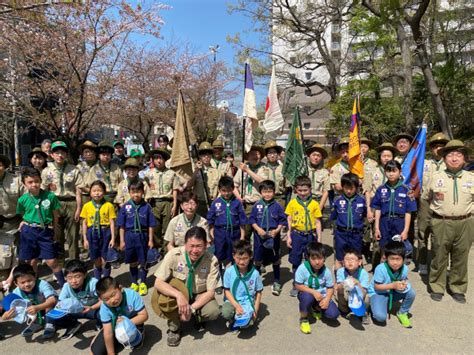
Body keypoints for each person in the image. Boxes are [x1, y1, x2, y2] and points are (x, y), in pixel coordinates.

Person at [153, 226, 221, 347]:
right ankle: (174, 329)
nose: (194, 250)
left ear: (206, 245)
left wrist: (191, 308)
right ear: (185, 244)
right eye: (191, 246)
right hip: (178, 293)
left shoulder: (212, 260)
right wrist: (178, 295)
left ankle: (197, 317)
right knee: (167, 300)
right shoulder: (174, 254)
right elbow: (158, 283)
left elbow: (210, 292)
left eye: (199, 246)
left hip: (199, 294)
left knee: (213, 311)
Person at [427, 140, 473, 304]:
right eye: (450, 155)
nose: (454, 158)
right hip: (441, 222)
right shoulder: (436, 177)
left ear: (464, 159)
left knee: (461, 256)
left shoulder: (471, 177)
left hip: (465, 222)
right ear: (445, 158)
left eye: (458, 155)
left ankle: (458, 287)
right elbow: (427, 199)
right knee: (439, 255)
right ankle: (437, 286)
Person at [17, 167, 65, 286]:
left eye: (37, 181)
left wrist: (55, 231)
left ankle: (64, 284)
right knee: (31, 261)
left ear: (41, 181)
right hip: (29, 231)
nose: (34, 184)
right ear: (24, 184)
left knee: (51, 260)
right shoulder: (22, 199)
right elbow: (23, 214)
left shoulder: (50, 196)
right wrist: (25, 222)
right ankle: (34, 286)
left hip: (45, 231)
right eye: (30, 182)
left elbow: (55, 215)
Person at [42, 140, 84, 261]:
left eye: (62, 152)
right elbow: (44, 191)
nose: (60, 155)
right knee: (57, 235)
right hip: (55, 203)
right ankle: (60, 263)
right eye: (57, 152)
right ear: (52, 154)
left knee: (73, 235)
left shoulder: (74, 169)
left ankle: (74, 263)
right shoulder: (46, 171)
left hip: (71, 203)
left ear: (66, 154)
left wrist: (78, 208)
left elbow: (78, 190)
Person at [371, 160, 417, 265]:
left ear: (400, 172)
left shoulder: (407, 190)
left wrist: (405, 231)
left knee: (398, 252)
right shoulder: (381, 189)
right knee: (384, 251)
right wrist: (377, 228)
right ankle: (383, 276)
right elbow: (377, 209)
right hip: (384, 222)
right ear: (385, 172)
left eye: (394, 171)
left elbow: (408, 212)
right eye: (388, 171)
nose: (391, 174)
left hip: (399, 222)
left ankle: (397, 276)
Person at [90, 276, 148, 355]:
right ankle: (105, 336)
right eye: (106, 299)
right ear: (101, 299)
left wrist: (127, 323)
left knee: (136, 343)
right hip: (114, 326)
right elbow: (108, 332)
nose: (112, 300)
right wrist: (111, 353)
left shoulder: (131, 295)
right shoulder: (104, 308)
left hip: (133, 322)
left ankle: (139, 335)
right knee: (96, 352)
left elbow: (144, 315)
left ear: (120, 288)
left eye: (113, 294)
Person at [44, 259, 101, 340]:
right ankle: (73, 324)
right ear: (66, 278)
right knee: (51, 315)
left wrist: (92, 307)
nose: (73, 281)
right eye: (69, 278)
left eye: (77, 276)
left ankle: (102, 322)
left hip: (93, 309)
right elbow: (61, 303)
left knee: (106, 313)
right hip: (76, 310)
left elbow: (104, 299)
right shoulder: (66, 286)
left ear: (85, 275)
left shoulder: (93, 283)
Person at [117, 181, 156, 296]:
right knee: (133, 261)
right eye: (133, 192)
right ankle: (134, 282)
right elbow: (122, 226)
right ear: (129, 193)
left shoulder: (147, 207)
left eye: (138, 192)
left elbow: (151, 225)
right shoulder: (125, 207)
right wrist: (122, 241)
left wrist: (151, 240)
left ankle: (143, 282)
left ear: (143, 192)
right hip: (130, 236)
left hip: (142, 236)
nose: (136, 195)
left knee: (143, 261)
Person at [417, 133, 448, 275]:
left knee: (442, 236)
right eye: (435, 146)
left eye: (442, 146)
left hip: (443, 203)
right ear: (431, 149)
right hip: (426, 202)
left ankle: (442, 264)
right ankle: (423, 262)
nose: (438, 149)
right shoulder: (424, 163)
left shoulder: (449, 164)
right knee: (423, 233)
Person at [285, 175, 322, 297]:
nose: (303, 193)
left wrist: (319, 239)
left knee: (309, 259)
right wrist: (289, 236)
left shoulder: (315, 204)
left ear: (310, 189)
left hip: (310, 236)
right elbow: (289, 220)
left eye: (305, 190)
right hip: (297, 235)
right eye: (300, 190)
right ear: (296, 190)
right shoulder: (292, 203)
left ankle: (308, 283)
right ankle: (296, 284)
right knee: (295, 260)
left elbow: (317, 222)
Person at [248, 180, 287, 296]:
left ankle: (277, 281)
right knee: (258, 258)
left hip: (273, 236)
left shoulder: (278, 206)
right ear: (260, 192)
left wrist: (277, 230)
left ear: (274, 192)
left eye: (270, 192)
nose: (267, 194)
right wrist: (258, 229)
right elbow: (252, 220)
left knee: (275, 259)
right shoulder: (257, 205)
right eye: (265, 192)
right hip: (259, 236)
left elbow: (282, 220)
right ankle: (254, 281)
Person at [363, 142, 398, 266]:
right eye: (384, 156)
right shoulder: (372, 171)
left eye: (389, 156)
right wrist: (368, 209)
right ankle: (377, 266)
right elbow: (367, 191)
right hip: (375, 204)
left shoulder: (397, 172)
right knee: (376, 238)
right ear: (380, 157)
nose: (386, 158)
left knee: (391, 238)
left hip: (391, 208)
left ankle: (391, 265)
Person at [295, 241, 340, 334]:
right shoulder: (302, 268)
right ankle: (304, 318)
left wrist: (327, 299)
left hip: (322, 296)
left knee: (333, 314)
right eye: (313, 258)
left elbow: (330, 287)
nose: (317, 262)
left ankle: (316, 307)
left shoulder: (326, 271)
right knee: (307, 298)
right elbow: (298, 285)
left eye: (320, 258)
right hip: (307, 293)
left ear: (324, 259)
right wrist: (313, 292)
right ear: (308, 258)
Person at [2, 264, 57, 339]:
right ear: (16, 283)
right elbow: (9, 307)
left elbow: (53, 300)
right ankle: (37, 323)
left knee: (48, 303)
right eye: (22, 282)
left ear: (34, 277)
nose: (27, 284)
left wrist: (38, 307)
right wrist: (5, 316)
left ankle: (50, 323)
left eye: (29, 280)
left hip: (52, 308)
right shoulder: (16, 292)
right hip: (36, 310)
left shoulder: (42, 284)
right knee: (20, 306)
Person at [369, 241, 415, 328]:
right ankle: (373, 305)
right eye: (392, 259)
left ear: (403, 259)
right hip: (379, 293)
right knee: (380, 318)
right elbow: (376, 287)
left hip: (392, 291)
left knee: (411, 292)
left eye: (398, 259)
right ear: (386, 258)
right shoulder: (381, 269)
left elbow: (404, 278)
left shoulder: (404, 269)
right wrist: (392, 285)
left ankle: (402, 312)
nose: (395, 262)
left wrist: (404, 283)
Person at [207, 176, 247, 276]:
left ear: (233, 189)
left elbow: (242, 221)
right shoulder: (216, 203)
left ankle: (234, 275)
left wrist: (242, 236)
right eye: (223, 191)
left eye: (229, 190)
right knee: (219, 256)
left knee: (235, 254)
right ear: (219, 190)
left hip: (234, 233)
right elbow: (210, 221)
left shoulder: (237, 203)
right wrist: (213, 235)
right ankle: (219, 276)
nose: (226, 193)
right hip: (220, 233)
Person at [222, 240, 263, 331]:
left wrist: (255, 310)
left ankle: (242, 320)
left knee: (249, 324)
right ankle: (232, 319)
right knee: (226, 312)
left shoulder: (255, 274)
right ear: (233, 256)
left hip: (247, 301)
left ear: (250, 256)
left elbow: (259, 292)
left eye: (245, 258)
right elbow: (227, 291)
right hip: (233, 300)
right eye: (238, 258)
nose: (241, 262)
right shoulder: (229, 272)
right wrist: (236, 306)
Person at [330, 173, 367, 270]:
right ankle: (339, 281)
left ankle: (358, 280)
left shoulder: (361, 200)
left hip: (356, 234)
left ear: (357, 187)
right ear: (342, 187)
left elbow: (365, 215)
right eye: (346, 188)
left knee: (357, 258)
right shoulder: (337, 200)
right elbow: (333, 217)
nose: (349, 191)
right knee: (339, 258)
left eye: (352, 188)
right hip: (341, 234)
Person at [81, 180, 116, 279]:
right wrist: (85, 238)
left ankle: (106, 280)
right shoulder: (86, 206)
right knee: (96, 258)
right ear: (90, 192)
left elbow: (112, 222)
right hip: (92, 232)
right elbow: (84, 222)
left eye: (99, 191)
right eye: (94, 191)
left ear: (104, 192)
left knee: (105, 259)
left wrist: (113, 238)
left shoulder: (109, 205)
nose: (97, 193)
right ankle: (97, 281)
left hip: (105, 231)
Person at [144, 148, 179, 248]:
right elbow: (145, 189)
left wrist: (174, 205)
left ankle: (165, 248)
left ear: (165, 160)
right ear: (153, 160)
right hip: (154, 203)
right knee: (155, 227)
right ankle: (157, 247)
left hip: (167, 202)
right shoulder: (148, 174)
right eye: (156, 158)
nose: (158, 161)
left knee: (167, 227)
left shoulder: (171, 173)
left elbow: (175, 190)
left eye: (161, 158)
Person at [233, 145, 268, 236]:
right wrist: (239, 197)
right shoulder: (242, 168)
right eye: (252, 154)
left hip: (260, 204)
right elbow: (234, 185)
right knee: (246, 233)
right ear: (247, 157)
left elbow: (262, 181)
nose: (255, 156)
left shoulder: (263, 167)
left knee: (260, 232)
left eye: (257, 154)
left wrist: (247, 170)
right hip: (246, 205)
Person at [335, 249, 370, 324]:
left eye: (353, 259)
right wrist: (343, 284)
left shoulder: (363, 273)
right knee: (339, 292)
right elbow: (339, 289)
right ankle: (344, 310)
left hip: (358, 296)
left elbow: (364, 293)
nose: (350, 262)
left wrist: (358, 284)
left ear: (359, 262)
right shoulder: (341, 271)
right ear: (343, 262)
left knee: (367, 297)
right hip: (346, 294)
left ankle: (363, 312)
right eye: (347, 259)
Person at [187, 142, 222, 218]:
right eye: (203, 154)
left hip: (212, 203)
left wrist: (216, 202)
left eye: (208, 154)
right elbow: (189, 185)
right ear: (199, 156)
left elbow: (220, 190)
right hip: (198, 203)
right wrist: (196, 171)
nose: (206, 157)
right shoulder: (195, 170)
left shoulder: (216, 172)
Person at [263, 141, 287, 208]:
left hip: (280, 199)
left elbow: (287, 186)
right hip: (266, 200)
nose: (272, 155)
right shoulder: (262, 168)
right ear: (266, 155)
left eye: (274, 153)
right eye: (270, 153)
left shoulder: (283, 168)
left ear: (278, 154)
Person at [305, 143, 330, 210]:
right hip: (304, 201)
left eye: (318, 156)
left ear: (321, 158)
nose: (316, 158)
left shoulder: (325, 172)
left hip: (318, 201)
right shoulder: (303, 170)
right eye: (313, 155)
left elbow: (326, 191)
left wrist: (320, 207)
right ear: (309, 156)